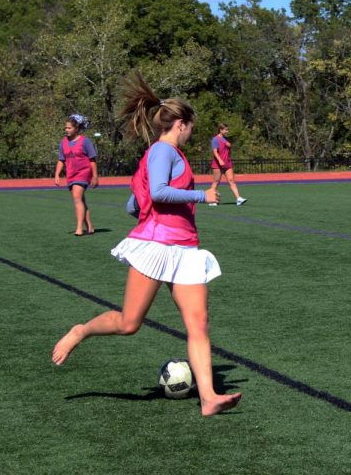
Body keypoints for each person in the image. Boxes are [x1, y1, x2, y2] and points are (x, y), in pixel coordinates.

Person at [52, 74, 242, 417]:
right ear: (181, 124)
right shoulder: (161, 151)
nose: (191, 133)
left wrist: (144, 205)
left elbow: (134, 205)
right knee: (129, 323)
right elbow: (157, 192)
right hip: (157, 246)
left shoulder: (167, 154)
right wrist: (203, 194)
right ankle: (80, 331)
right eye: (190, 127)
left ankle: (209, 397)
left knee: (198, 324)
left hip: (185, 247)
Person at [54, 114, 99, 236]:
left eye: (69, 128)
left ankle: (79, 228)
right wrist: (57, 174)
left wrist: (95, 176)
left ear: (76, 128)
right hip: (71, 174)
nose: (66, 130)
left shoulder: (85, 141)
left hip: (83, 173)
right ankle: (89, 227)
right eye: (66, 128)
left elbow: (92, 160)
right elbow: (61, 160)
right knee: (81, 200)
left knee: (77, 198)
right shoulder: (63, 143)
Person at [208, 123, 246, 206]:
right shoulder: (215, 139)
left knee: (231, 180)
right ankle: (211, 200)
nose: (227, 131)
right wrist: (220, 160)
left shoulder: (226, 139)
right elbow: (215, 152)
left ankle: (238, 198)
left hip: (227, 163)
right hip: (218, 164)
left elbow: (227, 151)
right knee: (216, 181)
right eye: (226, 130)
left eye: (227, 129)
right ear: (221, 130)